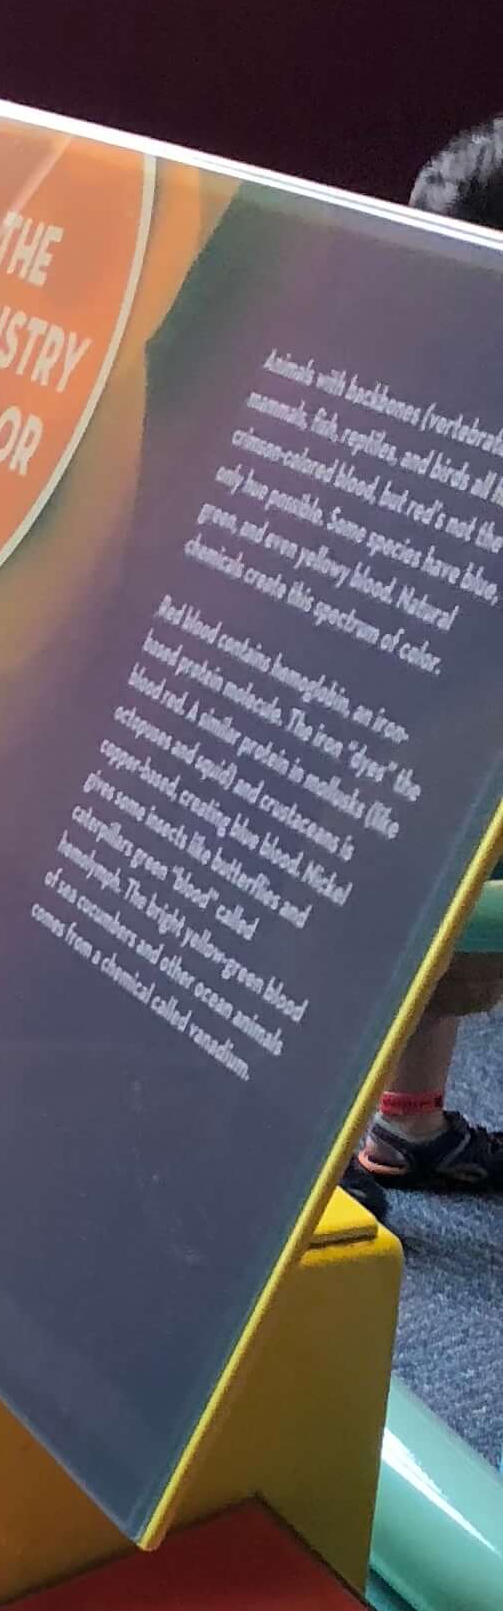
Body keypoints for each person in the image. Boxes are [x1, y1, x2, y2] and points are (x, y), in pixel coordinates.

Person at [345, 113, 503, 1202]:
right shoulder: (424, 412)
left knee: (441, 966)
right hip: (414, 746)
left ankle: (405, 1128)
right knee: (390, 953)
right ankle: (313, 1170)